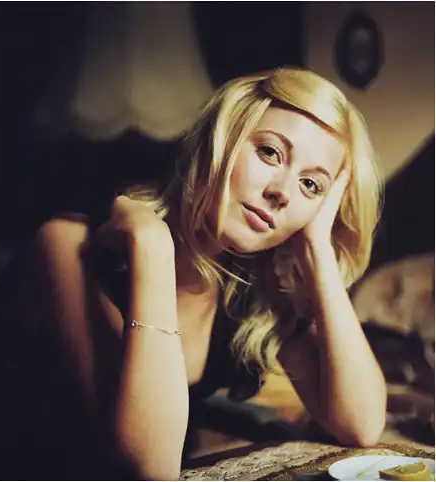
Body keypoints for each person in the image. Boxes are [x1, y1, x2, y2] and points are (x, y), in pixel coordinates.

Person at [25, 67, 387, 480]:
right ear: (222, 138)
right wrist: (153, 248)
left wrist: (317, 248)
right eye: (270, 152)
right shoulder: (68, 245)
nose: (282, 192)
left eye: (311, 185)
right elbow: (149, 467)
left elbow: (360, 424)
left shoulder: (250, 287)